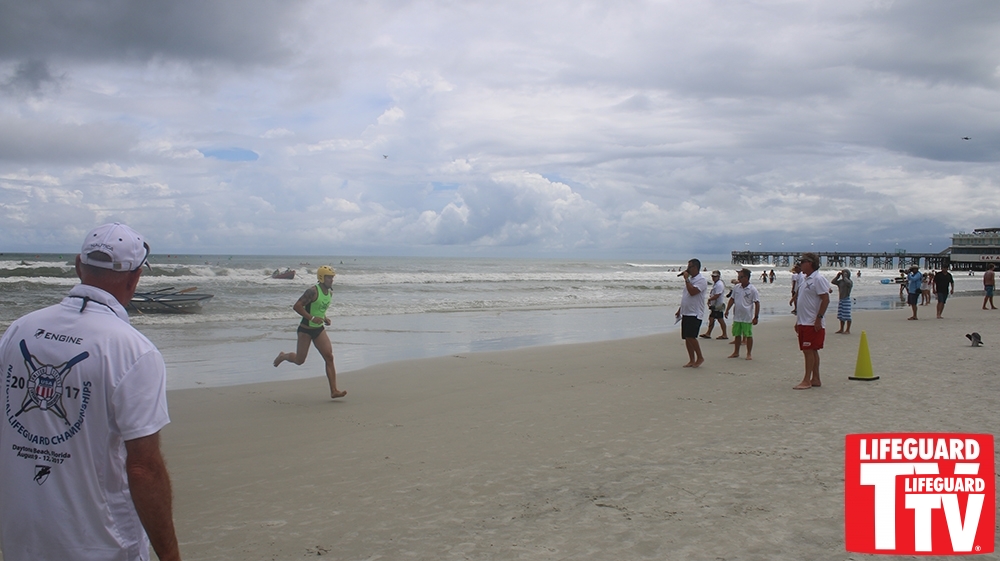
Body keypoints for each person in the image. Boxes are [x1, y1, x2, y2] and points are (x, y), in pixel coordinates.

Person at [0, 223, 181, 561]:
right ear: (135, 278)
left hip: (21, 537)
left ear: (78, 266)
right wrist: (170, 556)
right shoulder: (134, 352)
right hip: (103, 544)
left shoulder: (18, 331)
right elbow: (143, 468)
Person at [274, 266, 347, 398]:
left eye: (332, 277)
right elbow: (297, 306)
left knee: (329, 357)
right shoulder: (312, 291)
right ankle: (283, 356)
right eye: (329, 277)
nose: (331, 280)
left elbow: (319, 308)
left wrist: (325, 318)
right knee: (299, 360)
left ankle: (334, 390)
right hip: (305, 330)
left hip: (318, 330)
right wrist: (312, 318)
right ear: (321, 278)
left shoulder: (330, 293)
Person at [793, 252, 830, 390]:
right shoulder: (804, 279)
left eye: (803, 262)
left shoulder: (818, 279)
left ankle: (807, 379)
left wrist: (819, 318)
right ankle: (815, 378)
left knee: (809, 350)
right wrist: (798, 321)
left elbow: (825, 299)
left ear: (810, 263)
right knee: (811, 350)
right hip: (803, 321)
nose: (800, 264)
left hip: (812, 322)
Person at [675, 259, 707, 368]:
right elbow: (686, 296)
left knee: (691, 336)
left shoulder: (701, 280)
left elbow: (693, 292)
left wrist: (687, 279)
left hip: (695, 313)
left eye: (689, 267)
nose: (687, 269)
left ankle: (700, 357)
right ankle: (691, 359)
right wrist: (680, 309)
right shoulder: (691, 279)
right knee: (686, 338)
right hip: (686, 312)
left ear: (695, 267)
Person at [725, 268, 760, 360]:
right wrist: (727, 309)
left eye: (740, 277)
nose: (738, 279)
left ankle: (749, 353)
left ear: (746, 277)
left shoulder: (752, 289)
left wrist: (756, 316)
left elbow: (757, 303)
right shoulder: (737, 287)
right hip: (737, 315)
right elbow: (732, 299)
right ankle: (736, 352)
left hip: (747, 316)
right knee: (737, 334)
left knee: (748, 335)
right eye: (738, 277)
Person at [699, 270, 728, 340]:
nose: (713, 278)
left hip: (718, 305)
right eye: (713, 276)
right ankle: (708, 333)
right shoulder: (716, 284)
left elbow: (717, 295)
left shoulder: (719, 284)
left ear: (718, 276)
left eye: (715, 276)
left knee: (720, 319)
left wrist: (710, 299)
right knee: (711, 318)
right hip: (715, 305)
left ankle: (724, 334)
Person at [831, 269, 853, 334]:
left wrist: (845, 277)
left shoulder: (849, 282)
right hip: (841, 299)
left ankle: (848, 329)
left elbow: (848, 283)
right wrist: (837, 276)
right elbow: (833, 282)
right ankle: (841, 329)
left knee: (847, 316)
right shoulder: (841, 282)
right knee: (841, 316)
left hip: (846, 299)